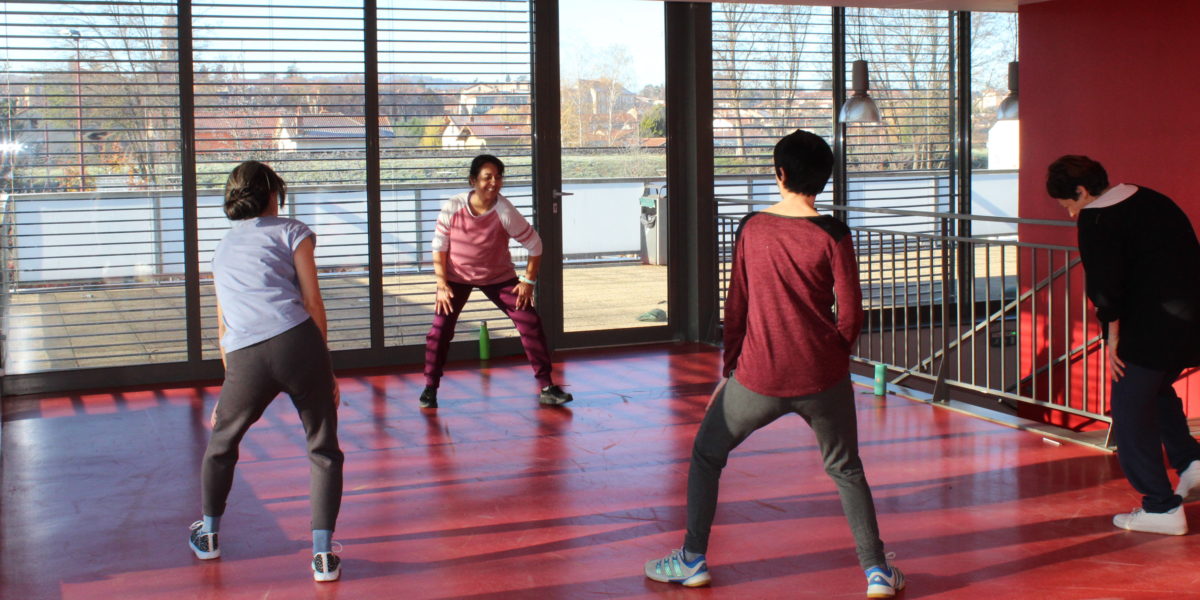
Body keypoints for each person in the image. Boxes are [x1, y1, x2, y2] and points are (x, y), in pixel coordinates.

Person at [644, 130, 904, 598]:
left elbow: (736, 307)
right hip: (823, 377)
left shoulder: (753, 227)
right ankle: (877, 572)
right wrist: (832, 358)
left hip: (758, 378)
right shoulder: (835, 234)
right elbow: (851, 315)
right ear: (823, 179)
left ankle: (692, 559)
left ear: (780, 173)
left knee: (707, 454)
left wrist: (730, 371)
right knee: (846, 469)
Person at [189, 161, 345, 582]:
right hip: (298, 343)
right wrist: (325, 368)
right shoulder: (292, 230)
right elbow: (313, 303)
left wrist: (230, 386)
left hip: (245, 356)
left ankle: (208, 535)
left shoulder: (221, 249)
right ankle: (322, 557)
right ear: (272, 193)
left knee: (222, 442)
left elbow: (223, 326)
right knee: (323, 448)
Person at [1046, 155, 1200, 535]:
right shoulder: (1151, 198)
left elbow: (1105, 290)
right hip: (1191, 321)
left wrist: (1114, 339)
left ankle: (1160, 508)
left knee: (1129, 413)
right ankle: (1192, 462)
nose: (1069, 213)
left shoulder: (1097, 219)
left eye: (1068, 203)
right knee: (1155, 390)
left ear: (1082, 191)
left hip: (1148, 329)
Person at [418, 154, 572, 409]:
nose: (494, 183)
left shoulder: (504, 210)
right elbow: (439, 246)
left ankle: (547, 387)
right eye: (487, 177)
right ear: (473, 180)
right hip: (456, 277)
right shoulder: (453, 207)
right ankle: (429, 388)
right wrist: (442, 285)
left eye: (498, 177)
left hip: (498, 277)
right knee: (439, 330)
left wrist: (528, 281)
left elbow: (536, 245)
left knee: (530, 322)